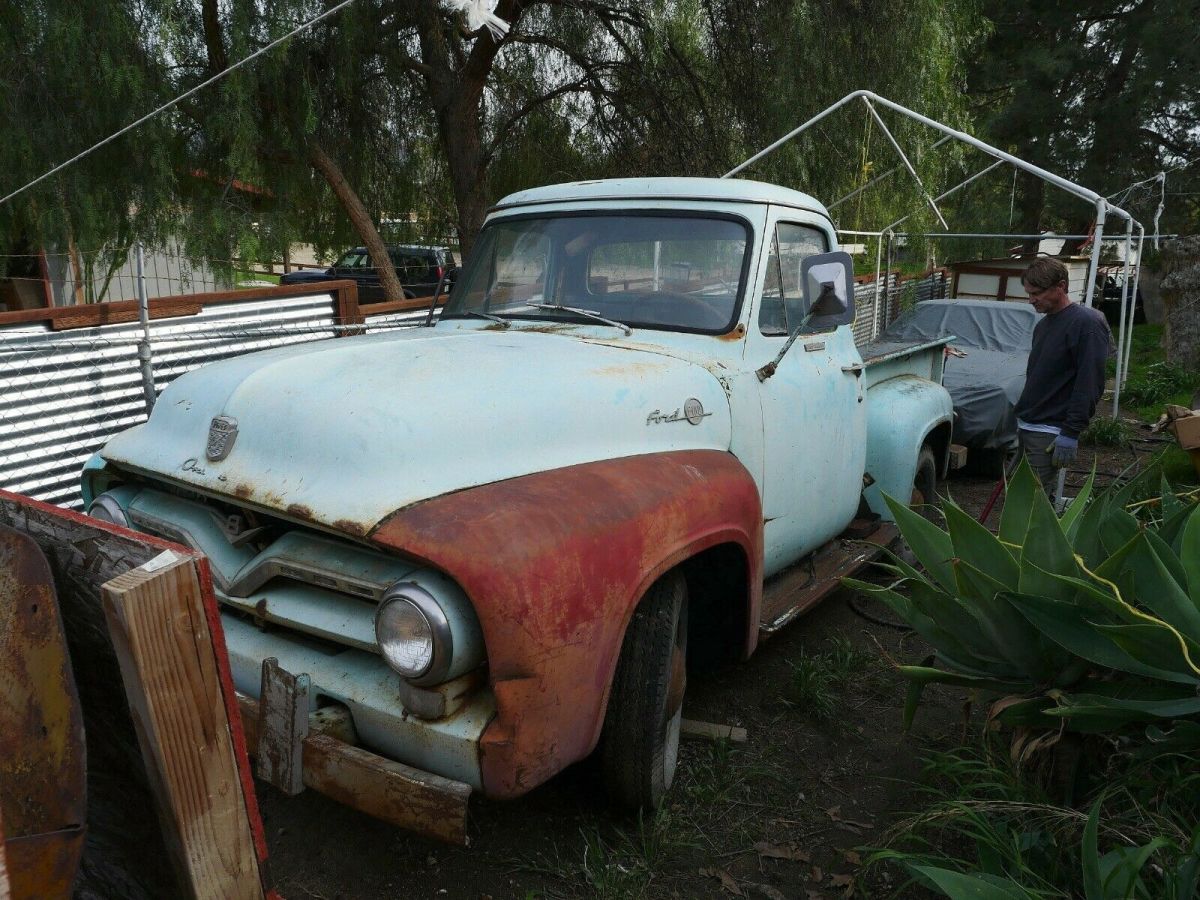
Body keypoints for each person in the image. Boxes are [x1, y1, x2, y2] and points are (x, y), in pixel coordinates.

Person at [1014, 258, 1113, 495]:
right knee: (1019, 499)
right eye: (1028, 293)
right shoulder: (1044, 325)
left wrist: (1071, 432)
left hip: (1050, 430)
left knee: (1029, 504)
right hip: (1029, 425)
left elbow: (1089, 383)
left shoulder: (1086, 323)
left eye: (1036, 293)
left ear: (1061, 286)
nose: (1031, 300)